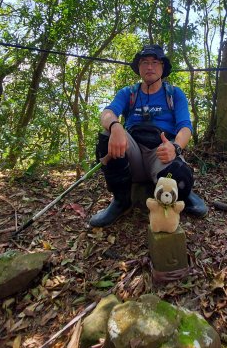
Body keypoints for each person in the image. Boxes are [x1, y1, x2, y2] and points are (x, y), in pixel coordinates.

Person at [89, 44, 208, 227]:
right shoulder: (128, 93)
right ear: (139, 67)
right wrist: (116, 126)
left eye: (154, 62)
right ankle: (121, 201)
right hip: (133, 153)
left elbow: (185, 127)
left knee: (180, 177)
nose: (149, 67)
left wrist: (175, 147)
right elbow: (107, 113)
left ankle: (186, 193)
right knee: (107, 135)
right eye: (144, 62)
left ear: (162, 67)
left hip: (161, 152)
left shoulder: (174, 94)